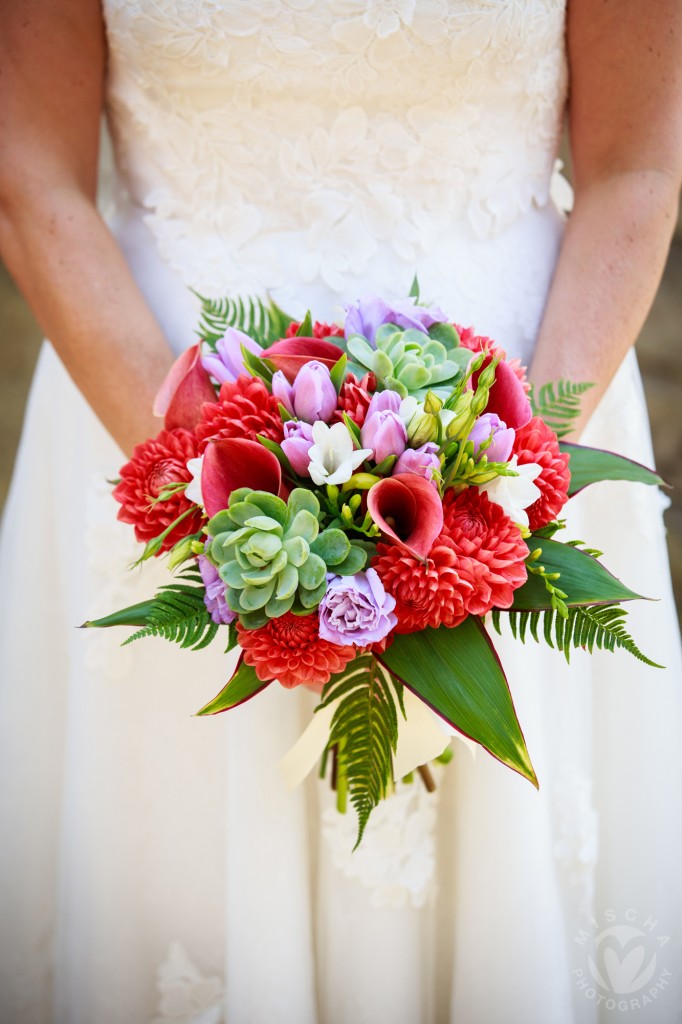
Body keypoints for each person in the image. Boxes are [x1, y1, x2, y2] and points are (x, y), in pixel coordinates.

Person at [1, 2, 681, 1022]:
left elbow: (635, 166)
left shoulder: (507, 467)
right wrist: (207, 482)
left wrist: (503, 482)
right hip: (150, 416)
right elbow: (30, 174)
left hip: (517, 415)